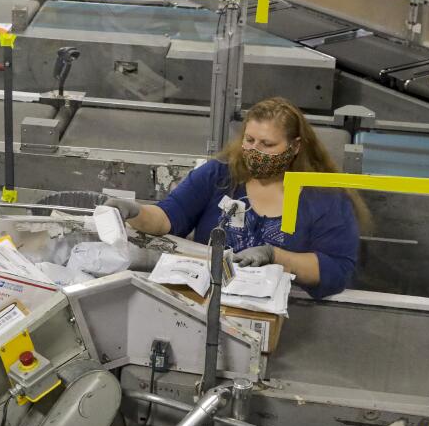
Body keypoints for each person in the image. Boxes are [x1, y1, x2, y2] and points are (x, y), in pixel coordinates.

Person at [106, 97, 365, 299]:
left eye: (267, 144)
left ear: (295, 146)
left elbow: (336, 268)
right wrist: (135, 212)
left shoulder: (324, 197)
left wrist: (275, 256)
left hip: (285, 313)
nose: (255, 151)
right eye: (249, 140)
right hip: (205, 300)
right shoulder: (219, 176)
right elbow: (168, 217)